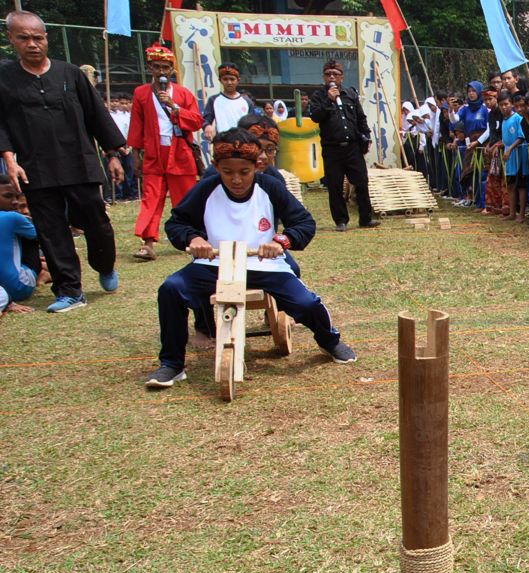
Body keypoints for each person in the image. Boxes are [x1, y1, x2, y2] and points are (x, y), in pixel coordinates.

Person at [146, 129, 357, 389]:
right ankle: (172, 364)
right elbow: (177, 223)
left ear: (256, 166)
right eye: (227, 172)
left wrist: (281, 242)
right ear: (216, 167)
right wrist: (194, 239)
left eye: (243, 172)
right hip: (215, 264)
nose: (236, 180)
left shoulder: (269, 187)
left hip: (262, 263)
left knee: (305, 303)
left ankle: (330, 341)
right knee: (171, 289)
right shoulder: (206, 188)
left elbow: (303, 222)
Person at [0, 11, 125, 313]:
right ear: (11, 39)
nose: (32, 44)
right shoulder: (4, 78)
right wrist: (9, 160)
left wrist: (112, 155)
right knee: (51, 230)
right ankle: (69, 290)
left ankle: (104, 265)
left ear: (46, 38)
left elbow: (97, 115)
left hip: (79, 162)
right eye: (24, 38)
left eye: (38, 37)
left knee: (96, 223)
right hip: (35, 167)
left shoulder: (70, 74)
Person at [128, 43, 203, 262]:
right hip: (153, 153)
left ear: (172, 70)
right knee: (152, 198)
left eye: (166, 67)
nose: (161, 71)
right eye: (157, 67)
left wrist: (175, 107)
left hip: (180, 152)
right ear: (150, 68)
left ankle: (192, 238)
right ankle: (148, 243)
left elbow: (197, 121)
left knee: (186, 198)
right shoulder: (141, 94)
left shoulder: (183, 94)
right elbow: (136, 125)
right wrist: (135, 155)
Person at [308, 59, 379, 232]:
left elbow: (360, 118)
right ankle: (341, 221)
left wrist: (367, 136)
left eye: (335, 74)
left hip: (353, 147)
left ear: (342, 77)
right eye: (328, 74)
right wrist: (329, 100)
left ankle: (365, 218)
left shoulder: (350, 94)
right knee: (335, 186)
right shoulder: (319, 96)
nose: (332, 77)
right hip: (332, 149)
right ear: (324, 77)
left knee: (361, 182)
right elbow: (315, 116)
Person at [0, 181, 39, 315]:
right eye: (8, 196)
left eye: (16, 197)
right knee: (31, 236)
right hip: (19, 288)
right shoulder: (12, 217)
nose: (15, 202)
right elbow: (43, 236)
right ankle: (43, 272)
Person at [202, 63, 258, 139]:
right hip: (222, 143)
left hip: (244, 143)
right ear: (220, 80)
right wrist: (207, 126)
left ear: (238, 80)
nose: (229, 82)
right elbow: (205, 120)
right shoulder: (214, 100)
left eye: (232, 79)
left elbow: (253, 123)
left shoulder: (247, 101)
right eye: (225, 79)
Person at [498, 92, 528, 222]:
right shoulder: (503, 121)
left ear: (511, 104)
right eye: (501, 105)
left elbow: (521, 137)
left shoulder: (517, 118)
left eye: (506, 104)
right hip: (508, 155)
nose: (504, 107)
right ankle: (512, 212)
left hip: (519, 153)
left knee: (521, 185)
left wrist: (510, 148)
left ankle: (521, 214)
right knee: (510, 184)